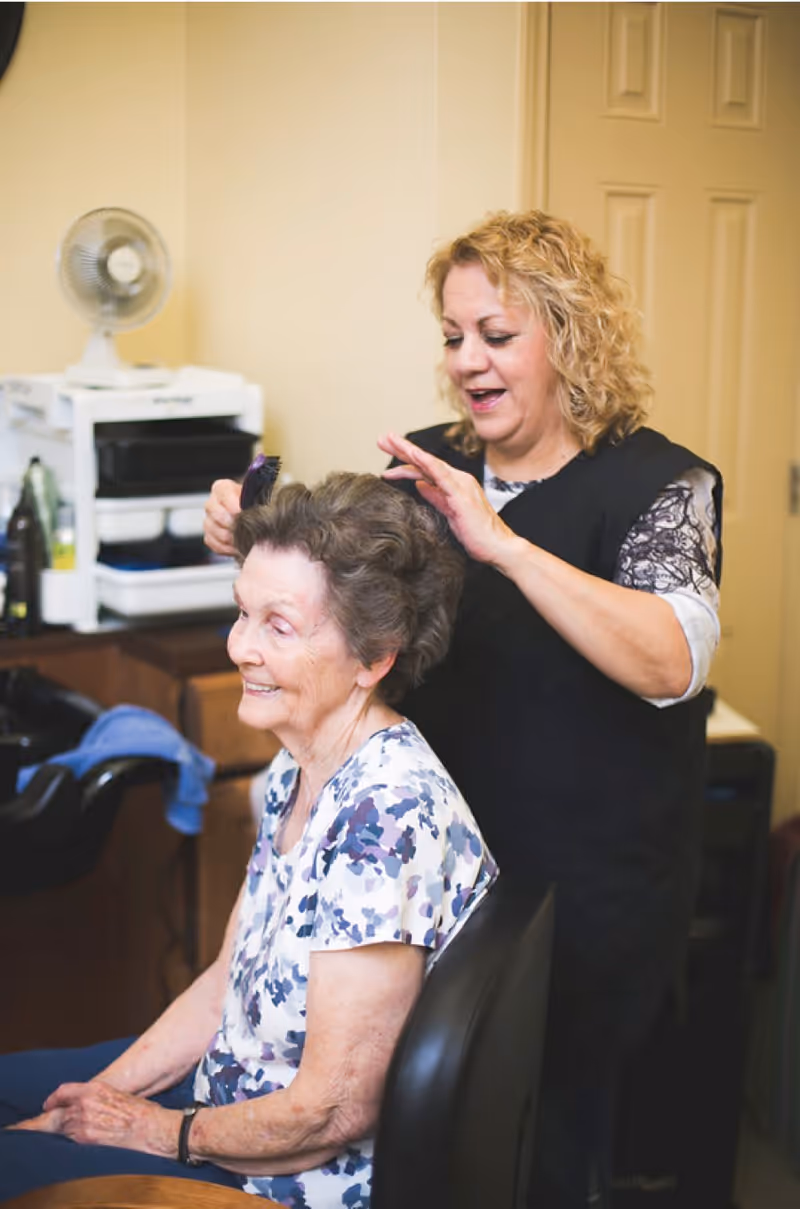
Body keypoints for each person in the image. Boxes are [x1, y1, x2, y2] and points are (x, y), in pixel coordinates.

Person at [203, 209, 722, 1209]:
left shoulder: (661, 484)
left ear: (567, 338)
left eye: (496, 333)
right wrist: (241, 525)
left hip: (585, 894)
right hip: (432, 882)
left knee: (549, 1149)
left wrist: (502, 544)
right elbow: (332, 583)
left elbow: (669, 661)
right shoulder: (429, 468)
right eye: (452, 335)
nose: (466, 361)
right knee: (426, 1141)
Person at [0, 473, 497, 1207]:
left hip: (284, 1179)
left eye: (279, 626)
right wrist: (99, 1099)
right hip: (225, 1098)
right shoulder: (295, 767)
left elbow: (335, 1110)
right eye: (242, 612)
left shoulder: (384, 817)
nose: (241, 647)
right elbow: (226, 981)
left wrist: (157, 1130)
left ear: (374, 656)